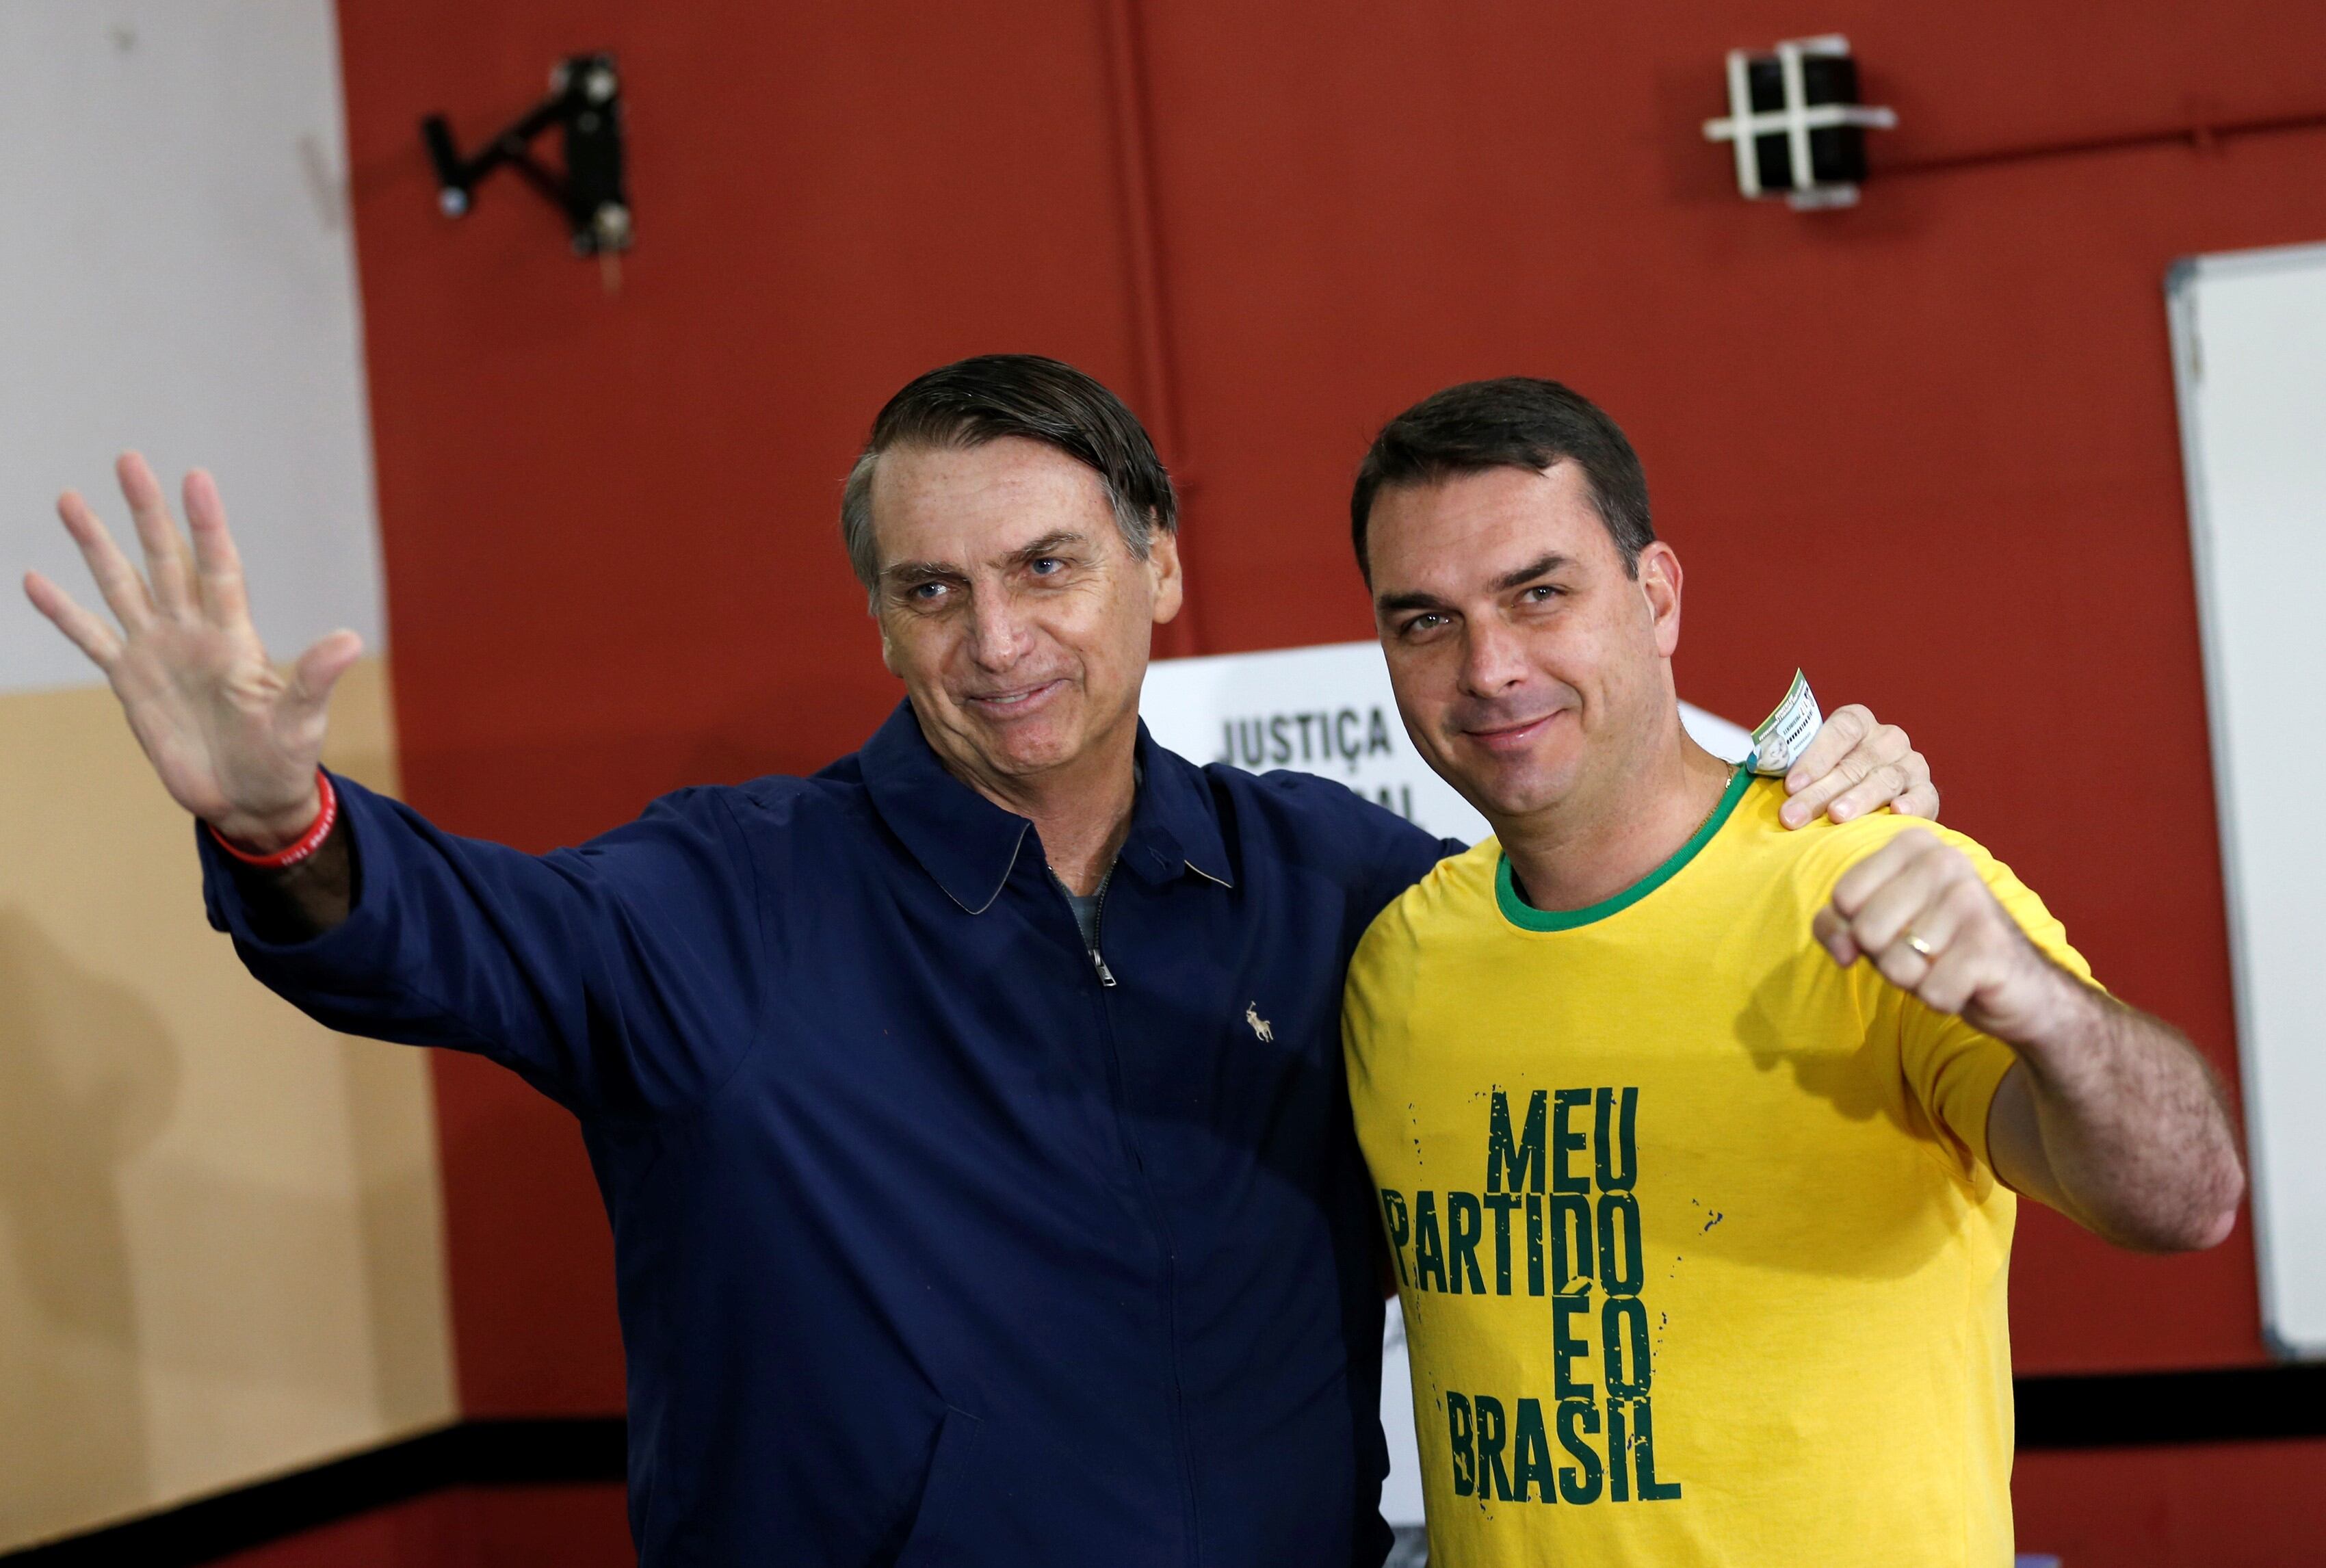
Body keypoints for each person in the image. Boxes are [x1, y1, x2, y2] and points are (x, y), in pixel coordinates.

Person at [23, 356, 1939, 1566]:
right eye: (931, 589)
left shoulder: (1348, 886)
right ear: (878, 623)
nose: (995, 636)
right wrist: (290, 827)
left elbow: (1594, 884)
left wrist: (1800, 786)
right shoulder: (723, 898)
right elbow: (453, 934)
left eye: (1046, 566)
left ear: (1160, 569)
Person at [1338, 378, 2245, 1567]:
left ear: (1655, 596)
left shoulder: (1871, 884)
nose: (1491, 667)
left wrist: (2049, 1014)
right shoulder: (1397, 962)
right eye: (1425, 622)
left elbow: (2187, 1200)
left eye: (1539, 594)